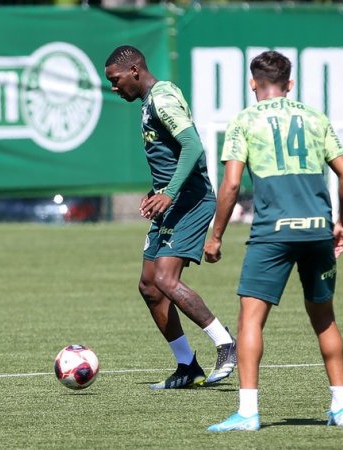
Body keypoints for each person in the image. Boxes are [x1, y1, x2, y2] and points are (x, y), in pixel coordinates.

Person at [205, 51, 343, 432]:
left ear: (253, 83)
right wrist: (342, 224)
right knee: (324, 318)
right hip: (317, 230)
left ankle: (248, 412)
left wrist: (216, 235)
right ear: (290, 85)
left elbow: (232, 184)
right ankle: (341, 407)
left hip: (272, 232)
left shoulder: (243, 121)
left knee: (250, 319)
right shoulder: (315, 117)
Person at [104, 45, 237, 389]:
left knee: (165, 279)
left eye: (116, 80)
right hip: (172, 200)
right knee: (149, 286)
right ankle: (187, 366)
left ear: (134, 70)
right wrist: (157, 190)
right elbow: (171, 154)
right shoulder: (148, 102)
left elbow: (193, 145)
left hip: (190, 201)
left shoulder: (162, 97)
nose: (113, 88)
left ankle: (226, 344)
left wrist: (169, 192)